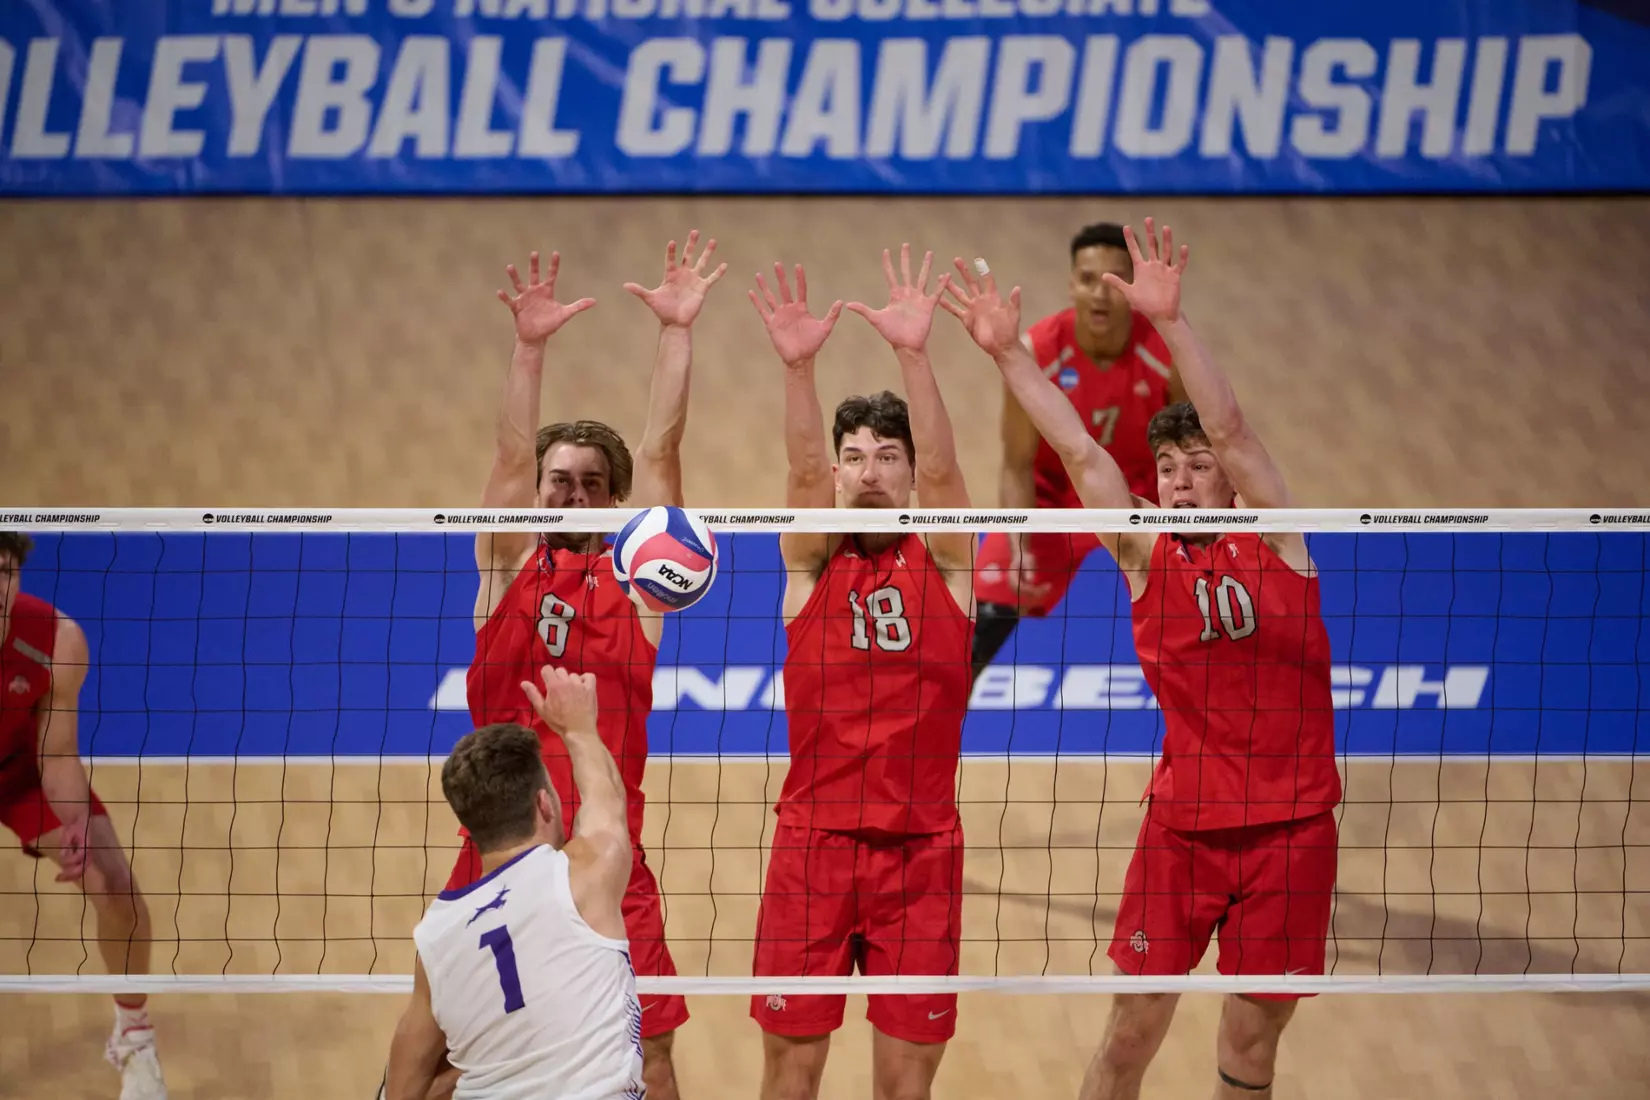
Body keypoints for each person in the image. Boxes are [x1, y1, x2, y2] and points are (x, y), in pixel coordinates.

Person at [941, 223, 1340, 1100]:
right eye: (1168, 469)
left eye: (1198, 469)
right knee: (1129, 1034)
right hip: (1183, 834)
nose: (1184, 483)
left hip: (1292, 834)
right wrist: (1009, 358)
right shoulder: (1143, 554)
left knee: (1250, 1050)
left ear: (1230, 482)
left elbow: (1231, 429)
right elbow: (1079, 451)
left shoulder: (1281, 541)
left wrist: (1175, 321)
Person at [450, 234, 725, 1100]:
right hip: (495, 854)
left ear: (615, 501)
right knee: (452, 1057)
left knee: (652, 1057)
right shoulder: (501, 568)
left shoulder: (639, 583)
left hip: (607, 853)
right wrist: (529, 349)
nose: (570, 495)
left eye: (590, 484)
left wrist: (676, 335)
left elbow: (664, 460)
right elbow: (504, 457)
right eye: (557, 481)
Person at [745, 246, 976, 1100]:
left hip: (921, 856)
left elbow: (953, 479)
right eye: (855, 457)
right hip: (814, 849)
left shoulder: (947, 558)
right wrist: (799, 369)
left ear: (910, 476)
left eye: (888, 457)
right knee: (791, 1073)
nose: (869, 472)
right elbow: (802, 479)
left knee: (904, 1085)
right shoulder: (808, 561)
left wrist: (916, 355)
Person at [385, 667, 645, 1100]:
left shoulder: (434, 939)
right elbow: (608, 806)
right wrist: (579, 729)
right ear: (544, 804)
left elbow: (402, 1086)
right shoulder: (580, 877)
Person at [971, 222, 1185, 683]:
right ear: (1072, 284)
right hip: (1053, 505)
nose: (1101, 294)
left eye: (1113, 281)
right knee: (975, 624)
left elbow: (1195, 450)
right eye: (1089, 280)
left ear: (1130, 287)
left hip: (1140, 503)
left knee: (1194, 613)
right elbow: (1017, 461)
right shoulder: (1036, 351)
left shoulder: (1166, 353)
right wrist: (1018, 543)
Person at [0, 531, 168, 1100]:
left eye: (3, 571)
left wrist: (72, 827)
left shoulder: (55, 638)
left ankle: (134, 1035)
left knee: (115, 889)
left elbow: (56, 753)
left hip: (19, 773)